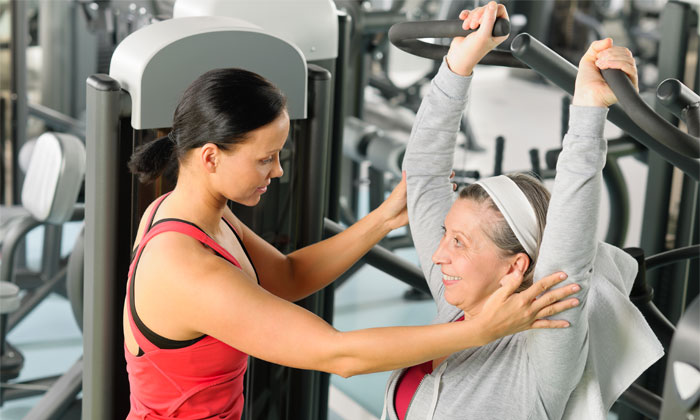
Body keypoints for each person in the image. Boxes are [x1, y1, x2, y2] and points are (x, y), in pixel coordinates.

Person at [122, 65, 580, 419]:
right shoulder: (184, 267)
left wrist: (382, 219)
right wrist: (479, 331)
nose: (278, 171)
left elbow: (288, 276)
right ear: (210, 157)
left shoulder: (194, 214)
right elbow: (337, 354)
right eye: (266, 158)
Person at [380, 2, 662, 420]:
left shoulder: (541, 349)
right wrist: (458, 63)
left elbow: (567, 254)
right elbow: (424, 177)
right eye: (445, 235)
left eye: (458, 242)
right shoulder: (455, 301)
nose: (437, 256)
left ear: (514, 267)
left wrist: (589, 110)